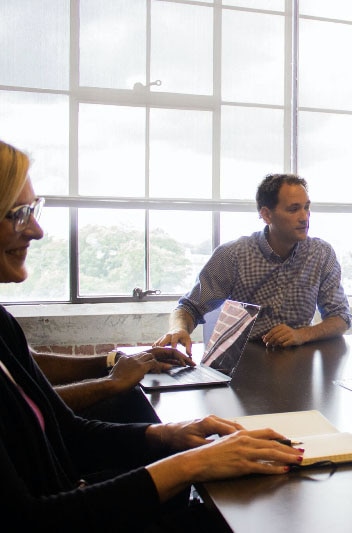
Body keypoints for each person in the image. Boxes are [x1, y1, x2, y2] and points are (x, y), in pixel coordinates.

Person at [0, 139, 304, 531]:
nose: (37, 231)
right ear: (266, 214)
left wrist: (171, 435)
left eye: (34, 210)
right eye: (18, 214)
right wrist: (191, 464)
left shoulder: (4, 325)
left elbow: (68, 431)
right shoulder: (234, 254)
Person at [155, 174, 351, 354]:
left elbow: (341, 318)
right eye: (293, 209)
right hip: (243, 359)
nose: (304, 217)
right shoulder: (233, 255)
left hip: (297, 358)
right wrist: (178, 328)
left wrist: (302, 334)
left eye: (307, 207)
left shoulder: (321, 254)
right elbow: (189, 307)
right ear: (266, 215)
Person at [32, 347, 192, 423]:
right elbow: (23, 404)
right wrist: (110, 383)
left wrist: (116, 360)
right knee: (136, 406)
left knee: (136, 397)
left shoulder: (6, 320)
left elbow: (34, 363)